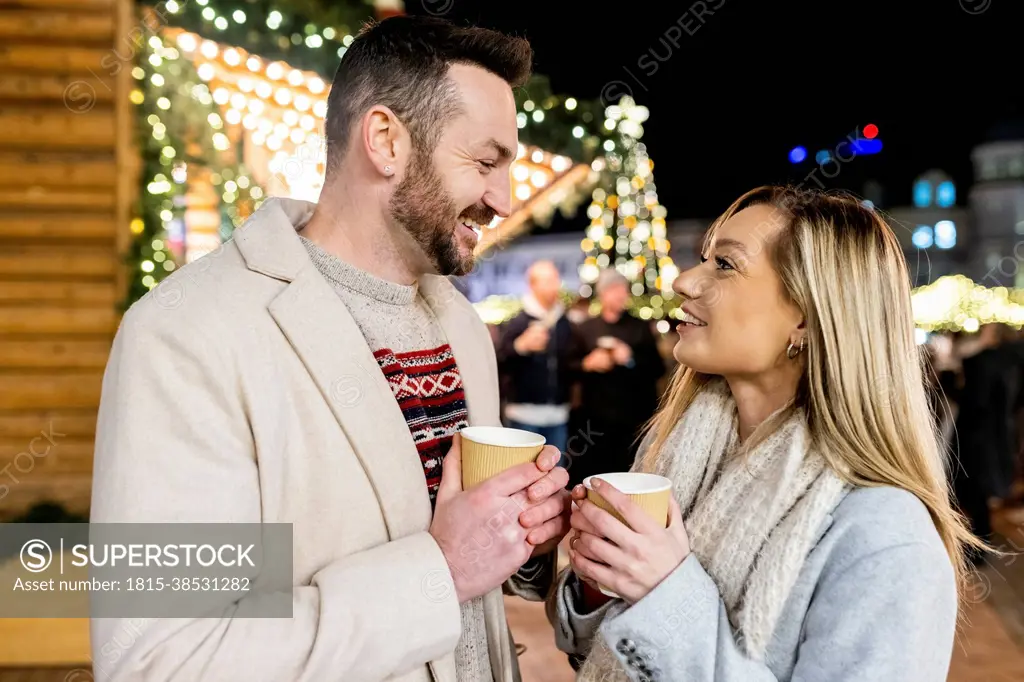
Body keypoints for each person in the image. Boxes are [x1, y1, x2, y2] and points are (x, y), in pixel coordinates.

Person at [91, 16, 571, 682]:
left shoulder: (462, 327)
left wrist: (517, 540)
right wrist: (441, 569)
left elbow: (469, 590)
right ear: (385, 140)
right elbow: (162, 659)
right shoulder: (183, 336)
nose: (504, 198)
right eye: (486, 162)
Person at [548, 186, 981, 681]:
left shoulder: (884, 536)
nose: (687, 280)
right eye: (704, 259)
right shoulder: (676, 454)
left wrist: (664, 594)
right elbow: (598, 651)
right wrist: (601, 581)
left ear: (806, 315)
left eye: (725, 266)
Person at [566, 269, 665, 487]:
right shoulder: (586, 328)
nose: (620, 294)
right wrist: (588, 363)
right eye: (614, 289)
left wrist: (630, 358)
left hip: (632, 419)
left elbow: (657, 369)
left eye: (623, 289)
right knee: (594, 475)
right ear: (602, 294)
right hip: (594, 420)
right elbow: (568, 367)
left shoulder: (639, 328)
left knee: (628, 475)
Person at [497, 260, 575, 460]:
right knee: (521, 474)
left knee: (555, 475)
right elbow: (498, 360)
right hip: (524, 414)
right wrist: (520, 346)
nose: (554, 286)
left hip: (559, 412)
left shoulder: (564, 322)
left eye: (556, 279)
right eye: (548, 280)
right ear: (532, 285)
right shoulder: (518, 322)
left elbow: (572, 360)